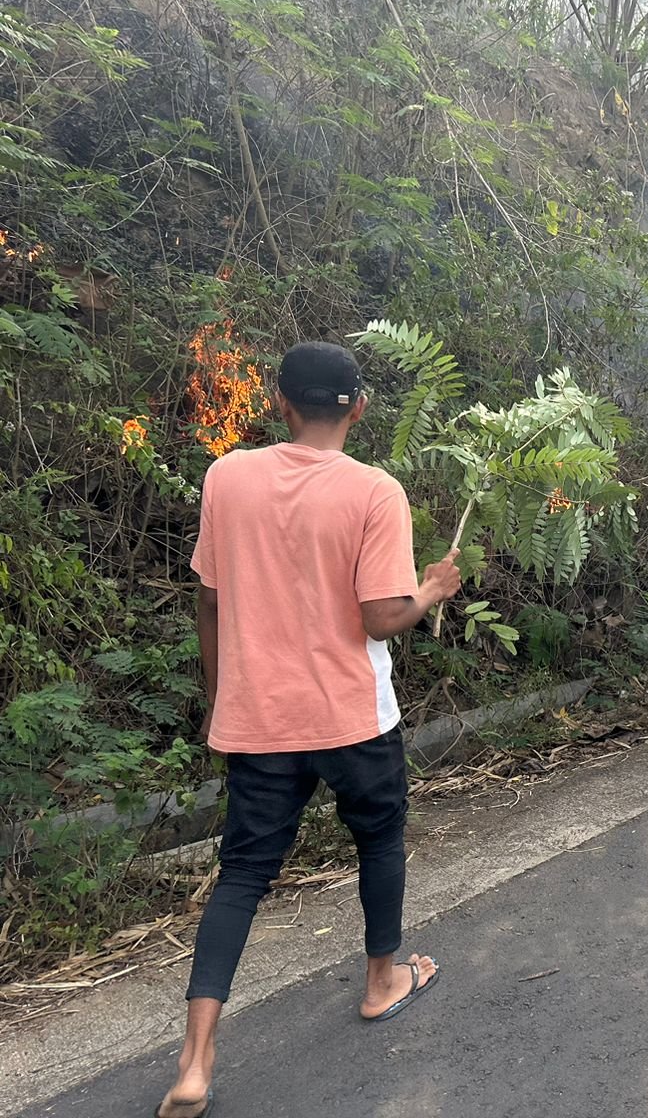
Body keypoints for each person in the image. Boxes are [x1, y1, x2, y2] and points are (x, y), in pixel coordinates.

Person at [157, 342, 462, 1118]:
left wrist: (219, 698)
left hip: (259, 717)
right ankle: (381, 980)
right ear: (358, 408)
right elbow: (379, 618)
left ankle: (195, 1062)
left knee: (243, 876)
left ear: (278, 403)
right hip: (352, 715)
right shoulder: (374, 491)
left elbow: (212, 601)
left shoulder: (228, 476)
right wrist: (429, 590)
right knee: (380, 840)